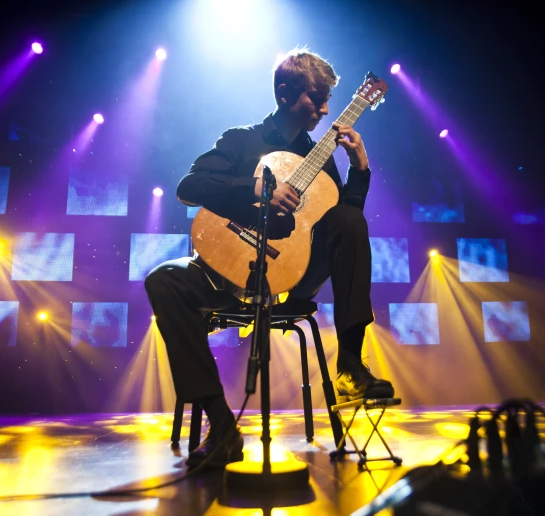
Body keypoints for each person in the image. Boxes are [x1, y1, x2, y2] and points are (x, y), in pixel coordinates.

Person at [144, 48, 394, 469]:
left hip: (291, 276)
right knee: (162, 280)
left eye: (329, 98)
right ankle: (221, 424)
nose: (325, 108)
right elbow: (190, 186)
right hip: (223, 272)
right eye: (316, 97)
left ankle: (350, 364)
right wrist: (253, 191)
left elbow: (346, 225)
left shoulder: (322, 157)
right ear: (284, 93)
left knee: (349, 220)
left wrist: (360, 169)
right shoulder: (241, 140)